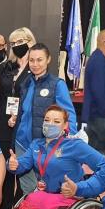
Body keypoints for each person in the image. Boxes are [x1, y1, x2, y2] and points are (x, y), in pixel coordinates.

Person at [13, 43, 78, 195]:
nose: (35, 64)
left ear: (48, 60)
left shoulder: (57, 85)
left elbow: (69, 115)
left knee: (47, 188)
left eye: (39, 60)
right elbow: (24, 110)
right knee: (28, 190)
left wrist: (68, 140)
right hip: (22, 144)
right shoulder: (25, 83)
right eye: (32, 60)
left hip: (45, 145)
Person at [0, 27, 36, 209]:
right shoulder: (7, 67)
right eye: (14, 43)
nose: (17, 46)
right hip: (3, 122)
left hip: (22, 124)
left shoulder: (35, 68)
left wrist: (17, 115)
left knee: (22, 170)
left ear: (30, 42)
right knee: (6, 168)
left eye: (21, 41)